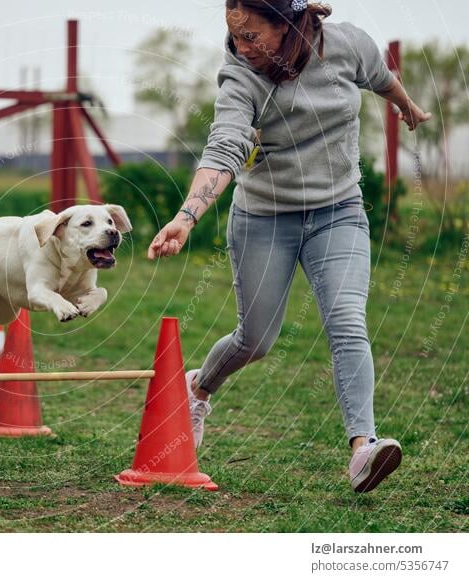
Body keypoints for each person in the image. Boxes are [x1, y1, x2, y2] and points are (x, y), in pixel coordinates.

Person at [147, 0, 431, 493]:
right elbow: (226, 145)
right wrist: (186, 216)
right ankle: (197, 388)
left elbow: (380, 76)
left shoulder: (345, 45)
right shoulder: (240, 75)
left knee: (347, 320)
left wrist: (404, 104)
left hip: (338, 211)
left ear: (289, 26)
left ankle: (363, 448)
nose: (240, 46)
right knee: (255, 340)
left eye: (252, 36)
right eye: (234, 35)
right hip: (264, 217)